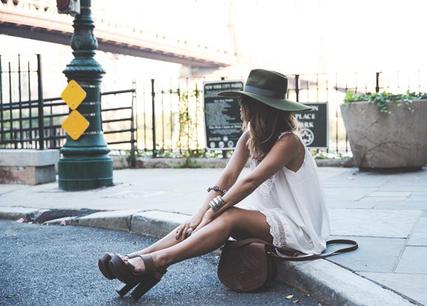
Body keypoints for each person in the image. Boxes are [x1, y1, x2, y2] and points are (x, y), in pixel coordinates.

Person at [98, 69, 331, 300]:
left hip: (298, 228)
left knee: (228, 215)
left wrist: (212, 212)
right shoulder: (251, 137)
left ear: (256, 106)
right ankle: (138, 256)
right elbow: (226, 179)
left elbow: (249, 182)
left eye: (244, 103)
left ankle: (158, 261)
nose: (241, 108)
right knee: (216, 214)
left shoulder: (289, 141)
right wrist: (199, 215)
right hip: (271, 218)